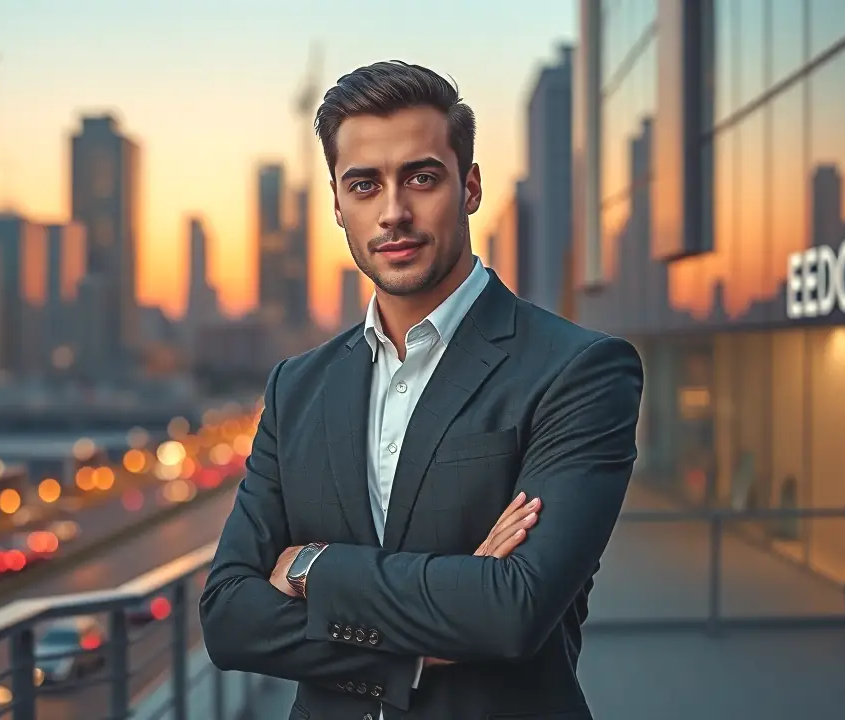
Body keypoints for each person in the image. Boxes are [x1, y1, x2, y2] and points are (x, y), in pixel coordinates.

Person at [199, 60, 644, 719]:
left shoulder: (578, 370)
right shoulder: (297, 388)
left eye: (422, 177)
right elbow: (229, 616)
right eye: (364, 185)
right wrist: (417, 645)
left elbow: (512, 611)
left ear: (469, 187)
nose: (393, 213)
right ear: (338, 206)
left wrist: (309, 568)